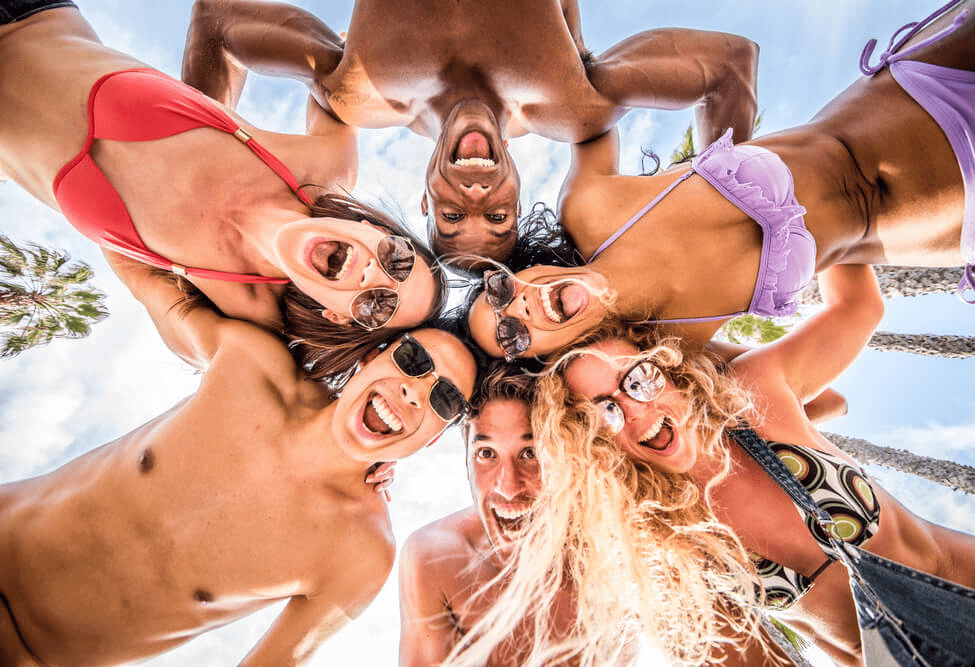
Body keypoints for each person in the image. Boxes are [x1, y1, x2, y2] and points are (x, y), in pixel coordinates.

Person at [497, 263, 975, 667]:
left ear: (671, 370)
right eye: (604, 410)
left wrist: (828, 186)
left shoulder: (754, 396)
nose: (635, 409)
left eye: (639, 378)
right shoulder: (669, 542)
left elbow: (858, 306)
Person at [0, 250, 476, 667]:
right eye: (415, 361)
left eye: (445, 401)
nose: (414, 392)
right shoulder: (252, 364)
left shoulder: (359, 554)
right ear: (373, 355)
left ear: (433, 439)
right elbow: (142, 275)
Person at [466, 0, 975, 360]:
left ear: (523, 267)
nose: (517, 305)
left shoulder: (590, 206)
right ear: (545, 359)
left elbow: (583, 75)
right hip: (971, 224)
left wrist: (726, 162)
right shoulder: (675, 350)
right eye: (510, 335)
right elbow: (817, 399)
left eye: (498, 289)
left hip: (932, 82)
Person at [0, 2, 446, 373]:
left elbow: (241, 379)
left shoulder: (237, 311)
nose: (375, 274)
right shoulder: (320, 166)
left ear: (336, 317)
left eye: (378, 306)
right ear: (373, 227)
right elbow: (224, 17)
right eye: (397, 258)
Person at [181, 0, 760, 271]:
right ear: (516, 190)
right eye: (499, 219)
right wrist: (724, 212)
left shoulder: (354, 92)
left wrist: (198, 158)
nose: (475, 201)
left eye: (452, 220)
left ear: (426, 200)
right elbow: (731, 64)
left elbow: (218, 22)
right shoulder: (574, 105)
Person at [398, 362, 642, 667]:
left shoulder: (620, 559)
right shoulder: (434, 558)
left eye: (531, 453)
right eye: (486, 454)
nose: (509, 487)